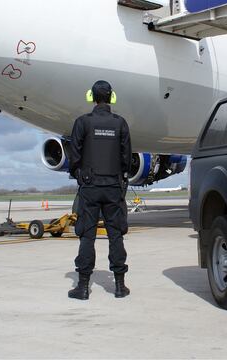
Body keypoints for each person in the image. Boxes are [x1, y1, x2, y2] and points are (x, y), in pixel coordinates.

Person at [67, 81, 132, 300]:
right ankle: (120, 286)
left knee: (87, 235)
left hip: (90, 186)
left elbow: (74, 155)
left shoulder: (82, 122)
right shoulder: (120, 123)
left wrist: (78, 174)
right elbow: (127, 157)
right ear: (111, 97)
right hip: (113, 186)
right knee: (116, 234)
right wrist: (121, 179)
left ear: (91, 97)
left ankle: (83, 287)